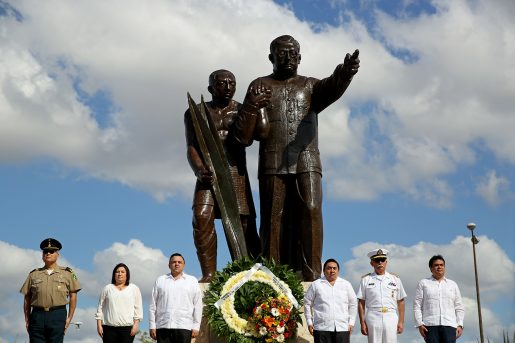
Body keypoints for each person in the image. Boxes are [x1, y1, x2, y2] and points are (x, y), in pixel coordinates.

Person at [233, 35, 360, 281]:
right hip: (272, 162)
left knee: (311, 209)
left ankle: (311, 277)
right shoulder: (260, 84)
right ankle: (271, 278)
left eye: (293, 53)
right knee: (272, 219)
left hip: (307, 160)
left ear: (300, 57)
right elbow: (245, 136)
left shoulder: (310, 86)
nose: (288, 57)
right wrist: (250, 104)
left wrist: (345, 73)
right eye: (282, 53)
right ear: (271, 57)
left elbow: (332, 86)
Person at [184, 69, 261, 282]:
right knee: (201, 216)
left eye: (232, 83)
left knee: (244, 224)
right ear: (211, 88)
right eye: (222, 83)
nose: (228, 86)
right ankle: (209, 273)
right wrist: (200, 170)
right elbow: (191, 146)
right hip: (208, 173)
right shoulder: (195, 111)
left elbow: (255, 136)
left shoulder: (242, 110)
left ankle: (248, 271)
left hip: (235, 171)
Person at [20, 238, 81, 343]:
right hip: (37, 315)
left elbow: (73, 296)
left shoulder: (68, 273)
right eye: (45, 251)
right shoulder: (33, 274)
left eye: (51, 251)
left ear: (58, 254)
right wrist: (27, 318)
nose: (48, 253)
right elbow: (27, 298)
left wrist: (69, 318)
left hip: (57, 314)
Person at [149, 253, 202, 343]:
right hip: (163, 326)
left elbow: (198, 305)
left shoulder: (192, 281)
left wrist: (196, 326)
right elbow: (153, 305)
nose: (176, 264)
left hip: (184, 326)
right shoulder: (160, 280)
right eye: (173, 262)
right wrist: (152, 326)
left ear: (184, 265)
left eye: (179, 262)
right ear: (169, 265)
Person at [356, 249, 406, 343]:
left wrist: (401, 321)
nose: (380, 263)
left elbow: (401, 301)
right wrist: (362, 323)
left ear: (386, 262)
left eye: (382, 260)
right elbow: (361, 303)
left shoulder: (395, 279)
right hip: (373, 316)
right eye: (377, 260)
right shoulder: (366, 280)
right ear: (372, 263)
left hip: (390, 316)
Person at [413, 255, 465, 342]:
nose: (439, 267)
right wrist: (419, 324)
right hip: (430, 325)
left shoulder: (453, 284)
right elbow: (417, 305)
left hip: (450, 325)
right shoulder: (423, 283)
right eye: (436, 265)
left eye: (441, 265)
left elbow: (459, 306)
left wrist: (460, 324)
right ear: (431, 268)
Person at [304, 258, 357, 343]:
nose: (332, 271)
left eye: (334, 268)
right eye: (329, 268)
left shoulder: (346, 285)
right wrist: (309, 322)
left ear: (338, 271)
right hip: (321, 329)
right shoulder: (316, 284)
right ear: (324, 270)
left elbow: (353, 304)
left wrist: (351, 322)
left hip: (342, 328)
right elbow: (307, 303)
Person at [95, 263, 143, 343]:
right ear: (114, 274)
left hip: (127, 328)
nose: (120, 274)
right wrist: (99, 325)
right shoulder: (107, 288)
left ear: (127, 274)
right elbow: (100, 308)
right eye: (117, 272)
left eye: (122, 272)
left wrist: (136, 325)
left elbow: (138, 308)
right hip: (108, 328)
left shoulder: (134, 288)